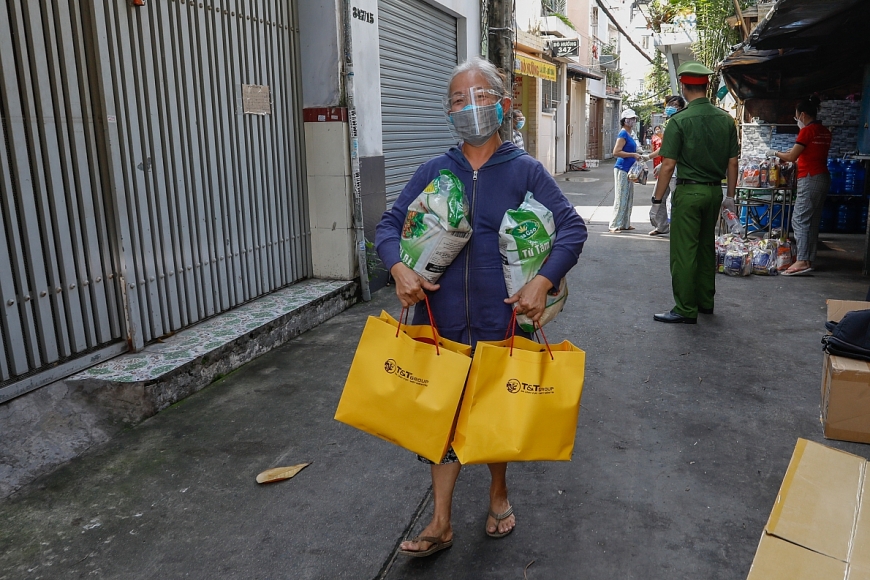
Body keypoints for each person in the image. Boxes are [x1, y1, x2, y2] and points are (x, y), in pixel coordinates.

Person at [375, 56, 587, 557]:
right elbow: (388, 226)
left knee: (495, 414)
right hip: (440, 321)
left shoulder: (526, 170)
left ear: (504, 104)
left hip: (501, 319)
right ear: (447, 113)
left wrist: (543, 280)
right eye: (457, 100)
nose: (468, 107)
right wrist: (398, 268)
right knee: (440, 418)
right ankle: (441, 521)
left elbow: (572, 228)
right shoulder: (434, 171)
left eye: (479, 97)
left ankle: (498, 493)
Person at [651, 61, 739, 324]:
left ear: (684, 87)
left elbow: (667, 165)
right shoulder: (726, 120)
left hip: (689, 194)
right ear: (706, 86)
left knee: (684, 251)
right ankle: (705, 301)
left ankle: (685, 309)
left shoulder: (679, 121)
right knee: (704, 248)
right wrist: (731, 197)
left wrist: (657, 200)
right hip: (714, 193)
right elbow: (733, 163)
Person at [767, 95, 831, 276]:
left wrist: (774, 152)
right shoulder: (824, 131)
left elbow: (791, 157)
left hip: (810, 177)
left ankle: (802, 260)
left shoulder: (807, 132)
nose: (797, 120)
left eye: (796, 117)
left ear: (802, 115)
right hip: (823, 177)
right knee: (812, 220)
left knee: (800, 219)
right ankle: (808, 259)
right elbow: (804, 152)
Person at [648, 95, 687, 236]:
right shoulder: (670, 124)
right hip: (667, 167)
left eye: (675, 105)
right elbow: (666, 148)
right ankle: (662, 226)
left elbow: (677, 150)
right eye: (670, 105)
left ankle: (678, 228)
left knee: (676, 201)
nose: (672, 107)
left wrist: (664, 164)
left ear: (682, 108)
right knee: (659, 196)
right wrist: (651, 158)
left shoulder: (681, 123)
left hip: (677, 171)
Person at [610, 108, 646, 233]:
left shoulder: (630, 134)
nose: (633, 121)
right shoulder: (623, 134)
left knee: (629, 197)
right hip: (622, 169)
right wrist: (632, 155)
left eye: (634, 118)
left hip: (629, 170)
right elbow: (616, 152)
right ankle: (614, 224)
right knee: (621, 197)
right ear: (624, 120)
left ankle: (625, 223)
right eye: (630, 119)